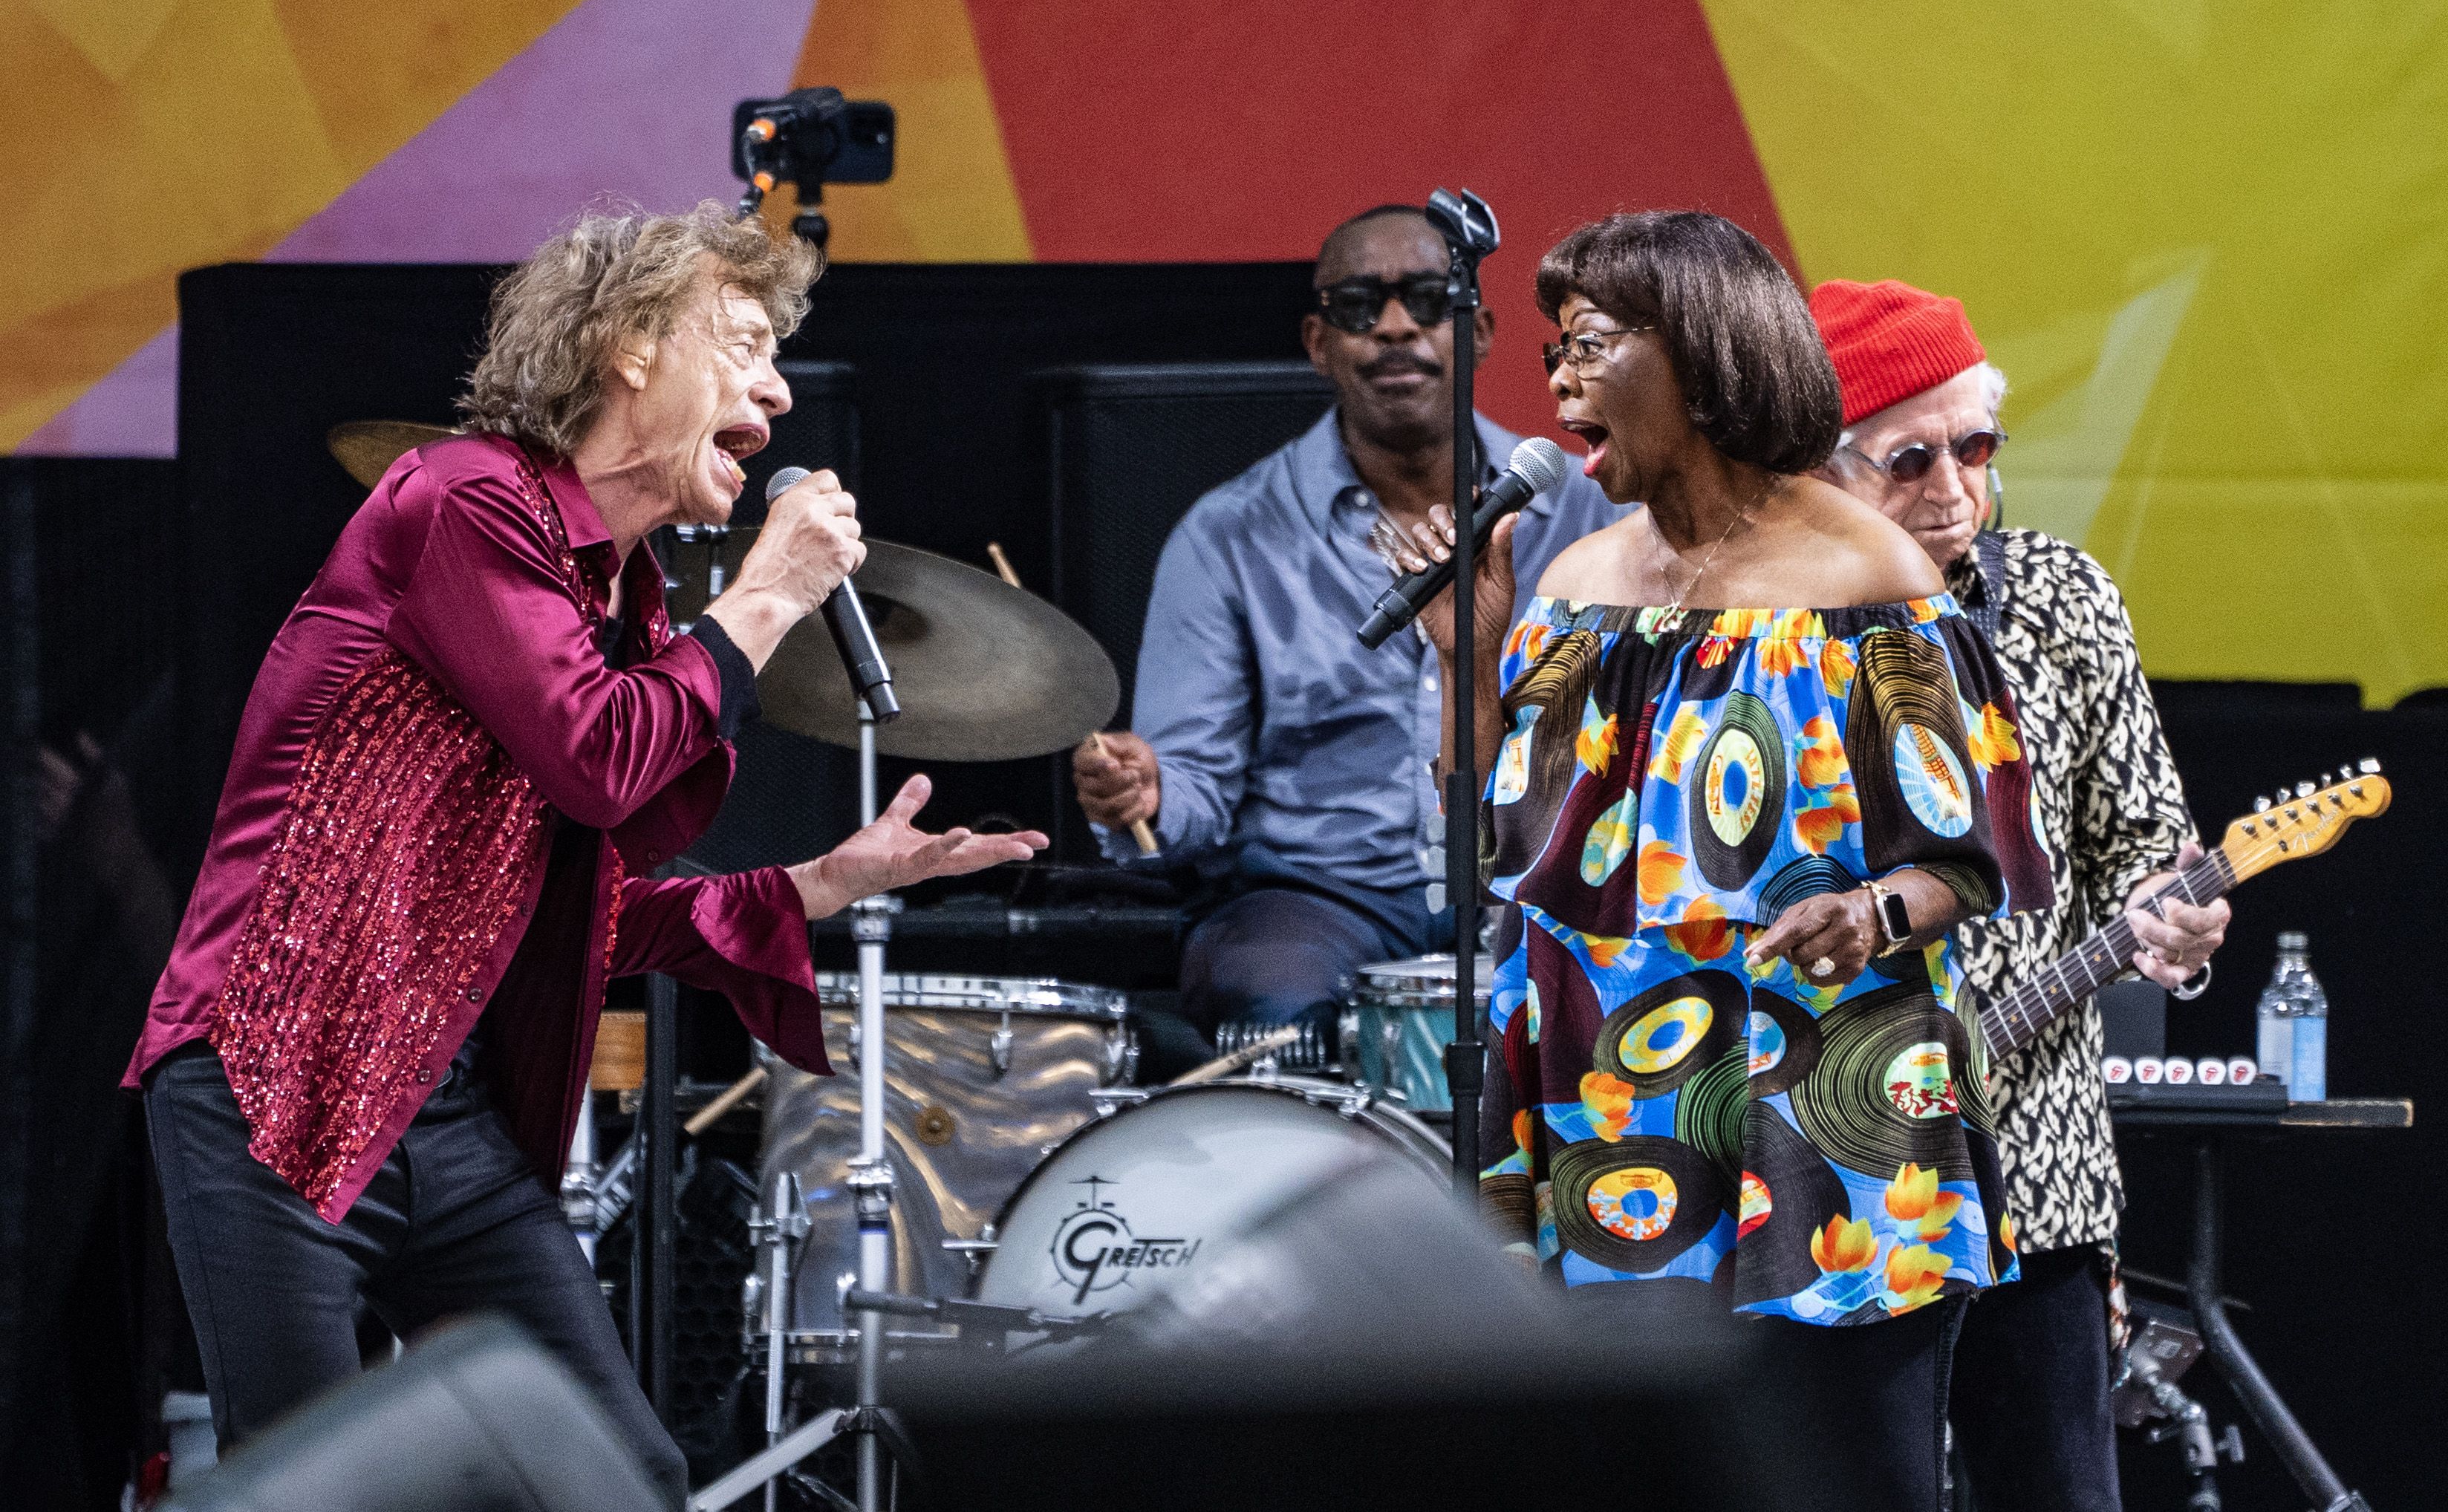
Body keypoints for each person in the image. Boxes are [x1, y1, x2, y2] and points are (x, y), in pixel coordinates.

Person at [122, 202, 1044, 1504]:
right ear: (626, 345)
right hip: (274, 1077)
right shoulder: (462, 499)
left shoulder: (622, 597)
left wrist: (815, 886)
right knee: (315, 1482)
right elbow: (596, 753)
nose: (778, 387)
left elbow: (560, 913)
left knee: (623, 1471)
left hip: (440, 1118)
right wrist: (771, 592)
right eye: (742, 342)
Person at [1416, 211, 2054, 1510]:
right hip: (1611, 1111)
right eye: (1553, 349)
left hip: (1819, 1103)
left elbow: (1969, 853)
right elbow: (1497, 845)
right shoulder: (1581, 577)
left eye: (1593, 344)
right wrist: (1464, 661)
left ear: (1703, 358)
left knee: (1841, 1479)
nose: (1560, 382)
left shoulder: (1862, 569)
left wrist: (1873, 911)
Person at [1809, 277, 2227, 1512]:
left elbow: (2144, 833)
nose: (1953, 486)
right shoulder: (1767, 633)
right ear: (1821, 473)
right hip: (1844, 1177)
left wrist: (2178, 917)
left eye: (1976, 447)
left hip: (2036, 1169)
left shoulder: (2061, 597)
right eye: (1910, 457)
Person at [1070, 203, 1615, 1039]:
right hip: (1320, 893)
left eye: (1428, 299)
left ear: (1479, 332)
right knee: (1267, 990)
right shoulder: (1228, 533)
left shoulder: (1582, 510)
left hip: (1536, 874)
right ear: (1319, 342)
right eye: (1360, 306)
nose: (1395, 328)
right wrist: (1148, 791)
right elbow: (1192, 782)